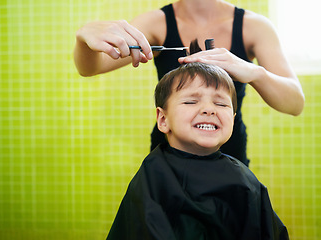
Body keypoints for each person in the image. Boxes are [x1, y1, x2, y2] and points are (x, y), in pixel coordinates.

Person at [74, 0, 305, 165]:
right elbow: (90, 67)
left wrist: (254, 72)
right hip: (168, 159)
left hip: (229, 158)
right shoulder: (156, 22)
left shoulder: (254, 27)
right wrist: (84, 39)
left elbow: (295, 103)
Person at [106, 62, 289, 240]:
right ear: (163, 119)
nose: (209, 109)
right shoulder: (153, 175)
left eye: (221, 104)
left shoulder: (245, 182)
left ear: (233, 119)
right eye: (191, 101)